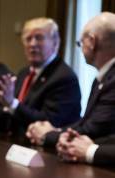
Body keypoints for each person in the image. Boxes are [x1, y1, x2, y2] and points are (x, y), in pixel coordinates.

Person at [32, 12, 115, 148]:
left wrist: (47, 135)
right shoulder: (103, 77)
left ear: (92, 42)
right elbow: (85, 122)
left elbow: (95, 130)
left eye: (80, 43)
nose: (81, 49)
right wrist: (56, 131)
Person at [0, 17, 80, 138]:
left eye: (39, 38)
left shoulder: (64, 78)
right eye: (28, 39)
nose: (32, 44)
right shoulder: (24, 73)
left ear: (55, 42)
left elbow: (47, 124)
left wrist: (12, 104)